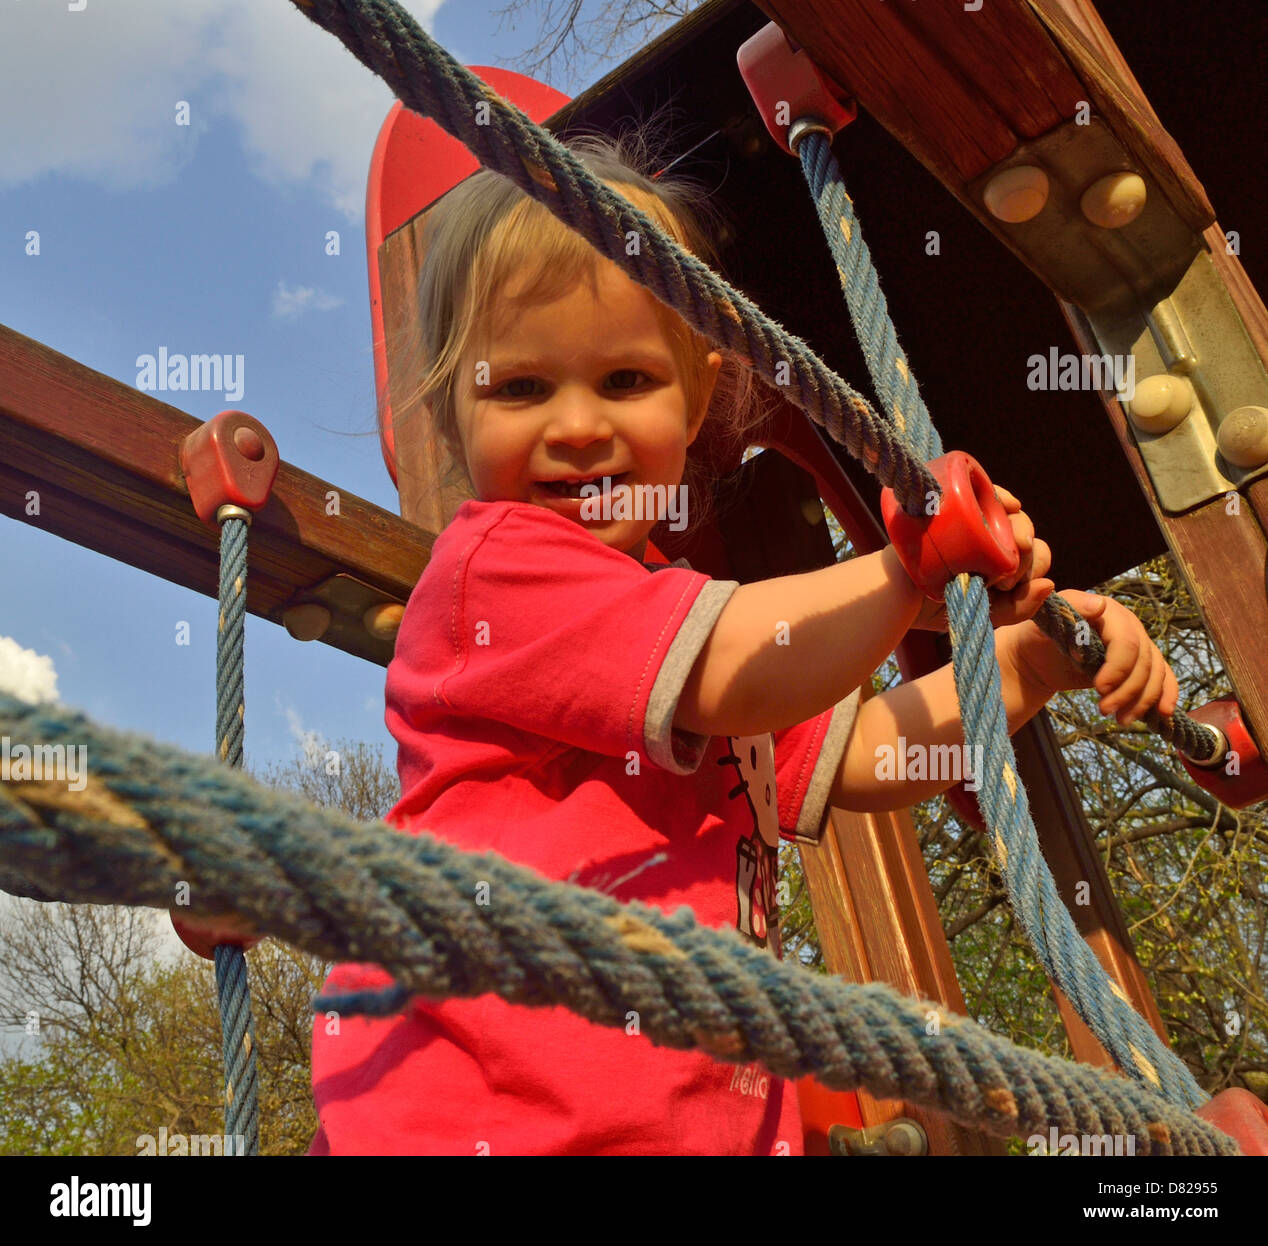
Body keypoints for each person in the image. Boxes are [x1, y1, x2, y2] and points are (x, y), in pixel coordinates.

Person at [306, 132, 1178, 1155]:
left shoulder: (672, 620)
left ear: (694, 401)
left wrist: (1026, 665)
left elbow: (860, 754)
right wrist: (905, 569)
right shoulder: (497, 567)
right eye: (519, 389)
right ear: (452, 418)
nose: (577, 426)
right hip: (480, 1109)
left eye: (625, 380)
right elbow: (735, 665)